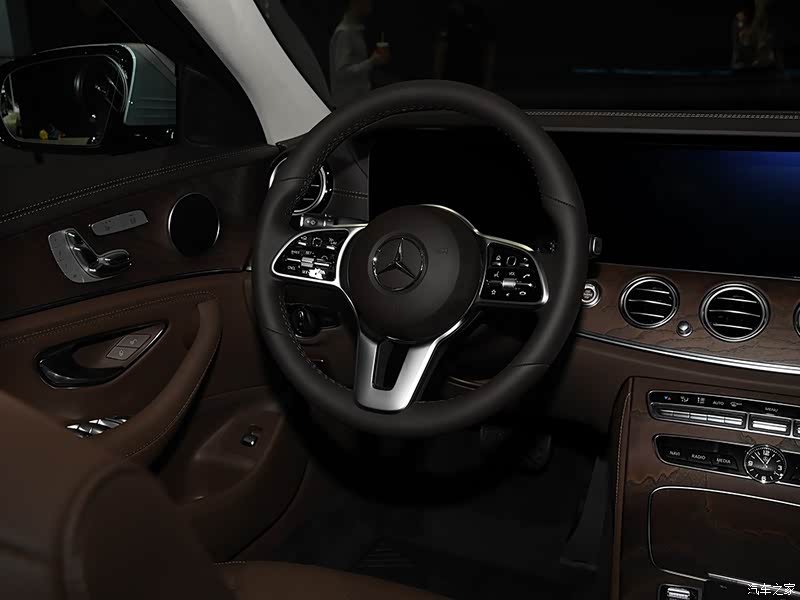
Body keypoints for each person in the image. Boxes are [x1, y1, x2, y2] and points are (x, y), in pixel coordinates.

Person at [329, 0, 390, 107]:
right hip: (346, 105)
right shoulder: (345, 33)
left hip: (356, 101)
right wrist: (371, 62)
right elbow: (342, 73)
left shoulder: (354, 29)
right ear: (354, 3)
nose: (370, 4)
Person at [434, 0, 496, 89]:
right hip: (451, 79)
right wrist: (438, 80)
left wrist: (488, 81)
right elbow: (440, 51)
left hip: (475, 79)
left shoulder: (483, 18)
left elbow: (490, 51)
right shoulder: (450, 17)